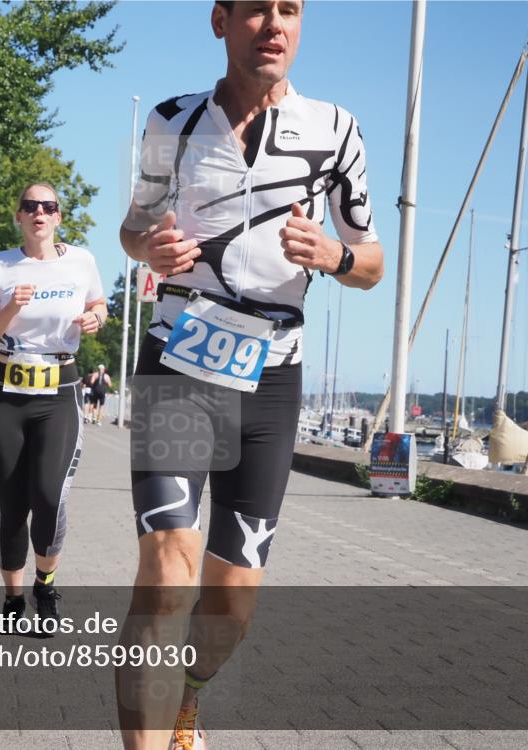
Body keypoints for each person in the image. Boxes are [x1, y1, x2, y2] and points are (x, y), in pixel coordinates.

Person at [116, 2, 384, 747]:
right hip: (176, 363)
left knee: (230, 611)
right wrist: (150, 252)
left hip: (270, 380)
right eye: (258, 9)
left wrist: (331, 255)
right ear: (220, 21)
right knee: (167, 571)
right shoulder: (172, 122)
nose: (275, 24)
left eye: (290, 10)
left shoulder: (336, 130)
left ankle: (187, 703)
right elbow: (132, 226)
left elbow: (373, 261)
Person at [0, 182, 107, 627]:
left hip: (58, 391)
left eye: (48, 207)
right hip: (4, 392)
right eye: (30, 207)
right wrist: (10, 308)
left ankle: (45, 588)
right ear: (19, 216)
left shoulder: (82, 261)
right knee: (11, 506)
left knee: (49, 497)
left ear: (58, 217)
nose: (39, 213)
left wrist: (96, 318)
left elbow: (99, 305)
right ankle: (12, 599)